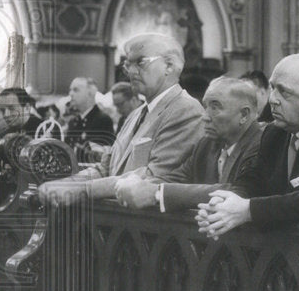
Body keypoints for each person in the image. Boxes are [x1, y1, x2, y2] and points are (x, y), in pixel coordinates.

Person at [197, 54, 299, 237]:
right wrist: (225, 202)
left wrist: (247, 210)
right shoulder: (274, 131)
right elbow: (252, 178)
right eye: (272, 88)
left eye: (284, 92)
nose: (272, 99)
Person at [37, 33, 205, 205]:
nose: (130, 72)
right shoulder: (136, 114)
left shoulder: (185, 110)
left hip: (147, 219)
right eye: (128, 64)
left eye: (140, 62)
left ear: (169, 66)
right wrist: (68, 183)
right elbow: (106, 168)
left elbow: (153, 177)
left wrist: (81, 189)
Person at [113, 77, 262, 212]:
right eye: (205, 106)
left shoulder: (262, 143)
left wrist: (156, 193)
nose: (204, 117)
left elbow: (237, 191)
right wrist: (138, 183)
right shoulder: (207, 144)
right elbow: (177, 177)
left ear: (244, 115)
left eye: (215, 108)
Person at [65, 77, 116, 158]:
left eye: (76, 90)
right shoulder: (73, 121)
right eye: (70, 90)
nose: (71, 94)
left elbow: (104, 155)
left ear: (90, 94)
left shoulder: (102, 120)